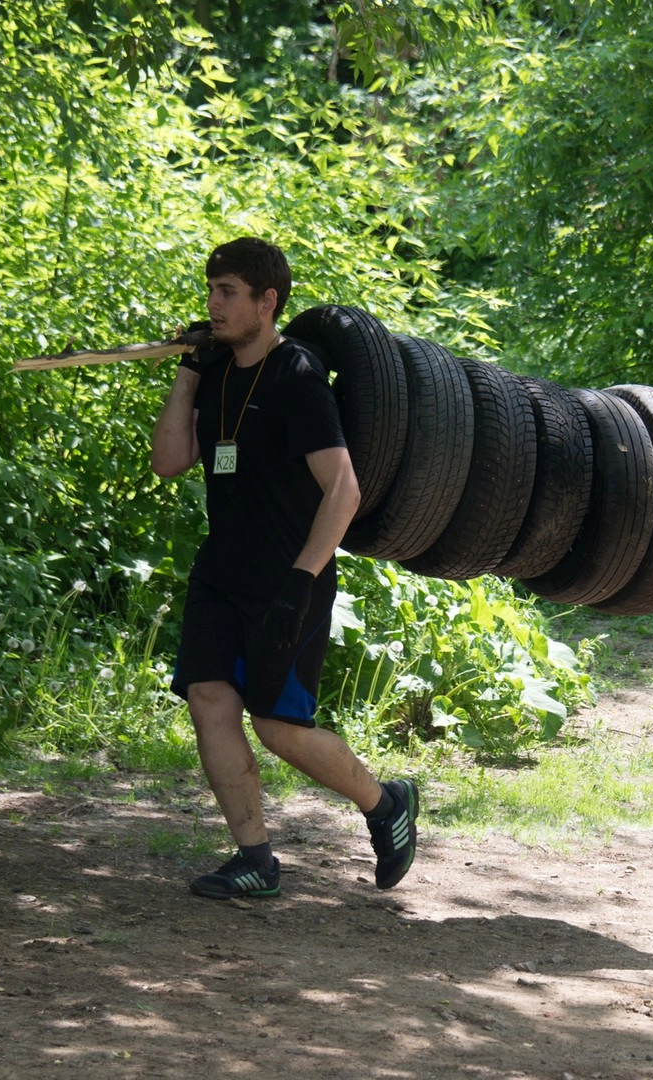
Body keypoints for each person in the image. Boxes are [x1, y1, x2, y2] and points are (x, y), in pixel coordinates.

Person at [150, 237, 418, 900]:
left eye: (228, 293)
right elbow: (170, 461)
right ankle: (255, 859)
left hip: (286, 580)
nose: (213, 304)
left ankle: (385, 803)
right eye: (210, 290)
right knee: (209, 699)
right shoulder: (215, 373)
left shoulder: (297, 376)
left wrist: (301, 581)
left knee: (277, 728)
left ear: (267, 301)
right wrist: (187, 372)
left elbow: (344, 490)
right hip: (221, 573)